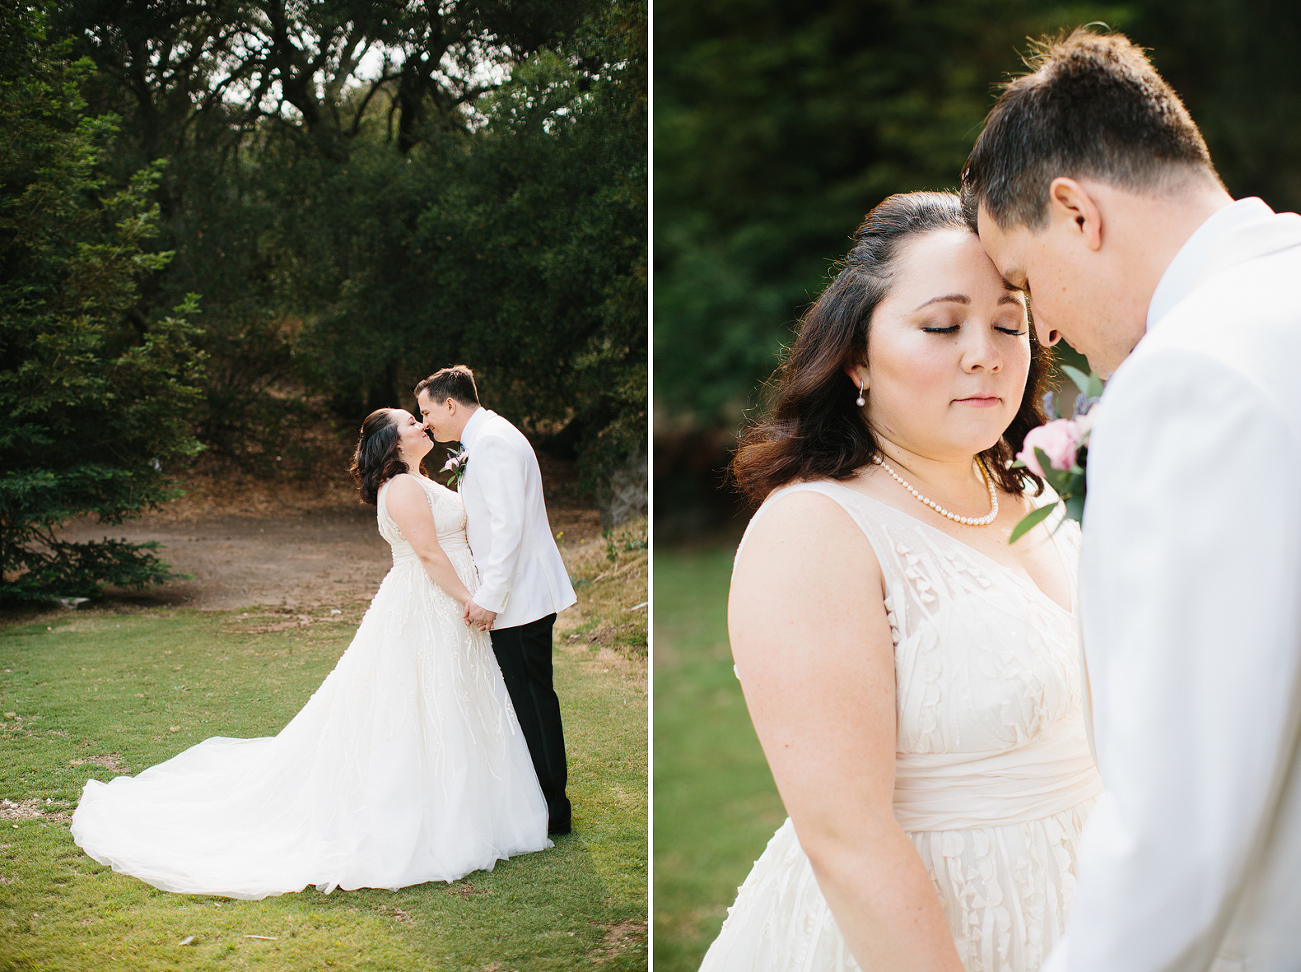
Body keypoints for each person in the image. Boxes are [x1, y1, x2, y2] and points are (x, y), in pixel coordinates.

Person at [962, 27, 1301, 972]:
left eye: (1025, 284)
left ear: (1076, 210)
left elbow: (1180, 818)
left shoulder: (1193, 372)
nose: (1047, 328)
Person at [701, 191, 1101, 972]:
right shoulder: (813, 529)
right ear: (855, 353)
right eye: (942, 326)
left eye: (1008, 324)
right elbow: (844, 838)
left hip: (1088, 917)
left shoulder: (1033, 484)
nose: (983, 351)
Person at [69, 408, 551, 898]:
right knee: (420, 703)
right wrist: (470, 599)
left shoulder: (419, 479)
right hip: (431, 603)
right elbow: (428, 553)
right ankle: (425, 811)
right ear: (392, 441)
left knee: (450, 701)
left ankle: (467, 803)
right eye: (410, 421)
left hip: (444, 605)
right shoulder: (403, 488)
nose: (421, 425)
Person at [416, 366, 578, 835]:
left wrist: (489, 596)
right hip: (516, 593)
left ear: (450, 404)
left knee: (533, 701)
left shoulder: (493, 443)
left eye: (427, 412)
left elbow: (508, 527)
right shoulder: (484, 438)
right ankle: (540, 799)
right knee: (526, 699)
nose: (425, 422)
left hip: (519, 596)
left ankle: (553, 809)